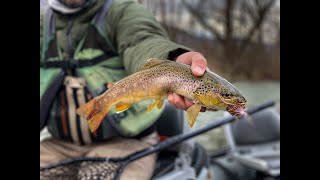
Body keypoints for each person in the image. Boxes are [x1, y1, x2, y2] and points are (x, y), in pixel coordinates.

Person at [40, 0, 210, 179]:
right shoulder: (43, 22)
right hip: (57, 145)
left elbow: (142, 41)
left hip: (127, 144)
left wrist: (172, 61)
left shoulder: (122, 11)